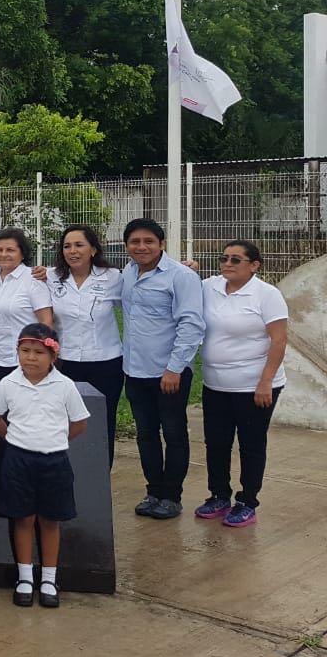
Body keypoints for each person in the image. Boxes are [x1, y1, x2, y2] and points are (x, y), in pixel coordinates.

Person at [0, 323, 89, 609]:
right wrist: (12, 439)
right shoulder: (9, 383)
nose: (31, 357)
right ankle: (25, 577)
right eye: (25, 351)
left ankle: (49, 578)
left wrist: (56, 438)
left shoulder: (64, 386)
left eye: (38, 352)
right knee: (23, 518)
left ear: (53, 356)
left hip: (54, 461)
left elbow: (79, 423)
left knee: (50, 520)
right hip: (18, 460)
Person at [195, 241, 288, 529]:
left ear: (254, 265)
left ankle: (248, 501)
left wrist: (265, 381)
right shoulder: (210, 287)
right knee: (217, 442)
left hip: (255, 386)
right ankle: (219, 495)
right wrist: (189, 268)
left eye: (236, 260)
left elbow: (279, 339)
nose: (227, 264)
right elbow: (182, 278)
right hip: (215, 383)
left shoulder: (266, 295)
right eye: (224, 258)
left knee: (251, 444)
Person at [121, 218, 205, 521]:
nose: (141, 247)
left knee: (174, 434)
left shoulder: (181, 277)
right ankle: (153, 490)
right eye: (135, 242)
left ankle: (172, 496)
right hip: (134, 371)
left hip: (168, 373)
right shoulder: (127, 274)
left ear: (161, 244)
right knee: (145, 435)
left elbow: (192, 324)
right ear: (127, 245)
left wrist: (174, 368)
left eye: (148, 241)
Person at [44, 224, 123, 468]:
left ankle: (100, 475)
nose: (72, 251)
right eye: (67, 246)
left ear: (93, 249)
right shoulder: (49, 277)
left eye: (79, 245)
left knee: (102, 422)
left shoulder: (113, 278)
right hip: (65, 364)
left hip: (106, 364)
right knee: (63, 422)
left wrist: (187, 268)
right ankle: (67, 474)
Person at [0, 228, 52, 381]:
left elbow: (46, 321)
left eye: (10, 250)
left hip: (23, 362)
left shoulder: (33, 280)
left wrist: (40, 354)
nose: (3, 254)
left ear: (22, 254)